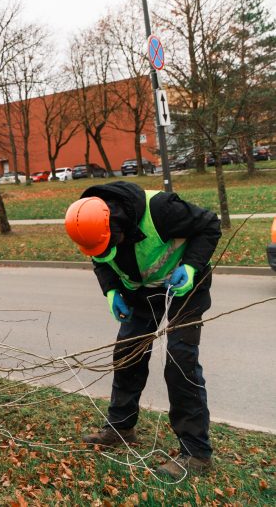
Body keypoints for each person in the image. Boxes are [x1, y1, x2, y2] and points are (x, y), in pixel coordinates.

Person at [63, 181, 221, 480]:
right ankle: (121, 427)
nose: (106, 250)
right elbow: (100, 258)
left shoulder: (161, 209)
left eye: (111, 243)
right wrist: (111, 290)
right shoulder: (89, 223)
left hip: (183, 286)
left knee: (180, 359)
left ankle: (197, 452)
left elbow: (210, 224)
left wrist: (190, 267)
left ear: (118, 225)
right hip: (140, 292)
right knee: (127, 353)